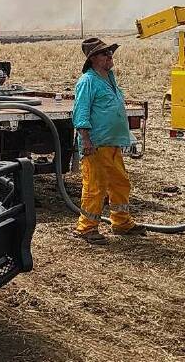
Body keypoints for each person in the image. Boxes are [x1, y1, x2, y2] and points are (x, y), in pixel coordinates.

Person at [72, 37, 146, 243]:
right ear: (93, 58)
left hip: (112, 143)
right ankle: (86, 228)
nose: (109, 56)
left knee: (120, 182)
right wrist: (86, 140)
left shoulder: (109, 78)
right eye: (105, 53)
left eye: (110, 52)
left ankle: (121, 223)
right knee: (96, 186)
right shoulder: (87, 81)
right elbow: (81, 112)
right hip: (96, 144)